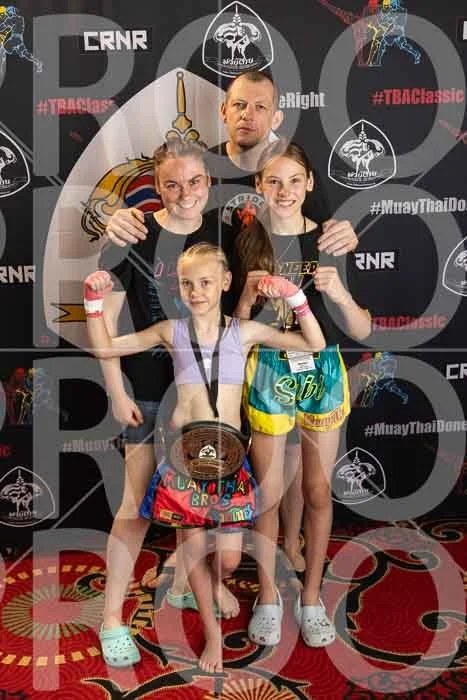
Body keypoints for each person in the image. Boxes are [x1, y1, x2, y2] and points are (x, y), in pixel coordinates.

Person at [103, 70, 359, 580]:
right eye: (239, 105)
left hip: (258, 346)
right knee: (206, 465)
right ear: (223, 111)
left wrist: (346, 234)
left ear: (276, 116)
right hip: (196, 346)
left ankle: (288, 545)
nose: (249, 115)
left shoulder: (287, 167)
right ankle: (197, 561)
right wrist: (117, 215)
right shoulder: (202, 169)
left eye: (260, 107)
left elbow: (325, 232)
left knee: (283, 460)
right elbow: (162, 208)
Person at [85, 242, 326, 671]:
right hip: (186, 460)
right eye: (187, 284)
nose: (196, 292)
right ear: (178, 288)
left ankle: (201, 587)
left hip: (230, 461)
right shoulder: (170, 330)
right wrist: (93, 303)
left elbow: (315, 343)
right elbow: (106, 349)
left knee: (229, 559)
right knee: (194, 548)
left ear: (226, 283)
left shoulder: (244, 332)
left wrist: (295, 297)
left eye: (206, 282)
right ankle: (213, 637)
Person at [96, 139, 236, 665]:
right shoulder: (132, 235)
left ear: (208, 183)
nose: (185, 193)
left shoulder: (225, 234)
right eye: (172, 184)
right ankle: (111, 617)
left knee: (197, 509)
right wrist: (116, 391)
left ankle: (181, 582)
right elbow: (105, 323)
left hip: (209, 403)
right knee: (134, 506)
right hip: (150, 393)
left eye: (195, 181)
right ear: (156, 187)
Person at [234, 140, 371, 647]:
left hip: (322, 371)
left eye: (295, 180)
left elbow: (363, 326)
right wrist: (246, 298)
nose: (285, 190)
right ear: (258, 186)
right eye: (273, 181)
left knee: (316, 490)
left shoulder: (330, 240)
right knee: (269, 493)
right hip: (269, 369)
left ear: (310, 183)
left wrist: (340, 293)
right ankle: (269, 596)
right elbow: (234, 329)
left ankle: (311, 598)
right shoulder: (246, 240)